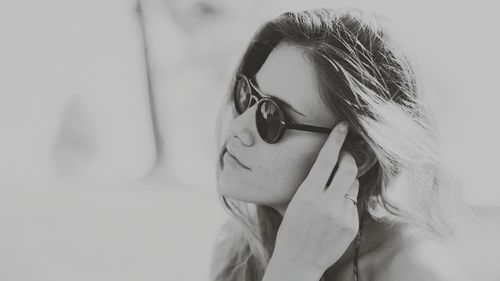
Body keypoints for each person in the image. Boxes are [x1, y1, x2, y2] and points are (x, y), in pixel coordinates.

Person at [211, 7, 467, 281]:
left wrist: (295, 269)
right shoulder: (240, 249)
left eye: (272, 117)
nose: (238, 128)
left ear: (356, 157)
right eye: (246, 94)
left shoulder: (415, 272)